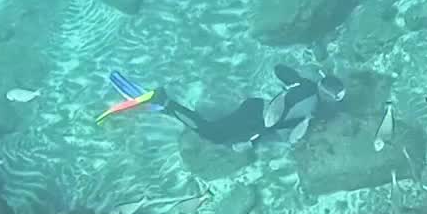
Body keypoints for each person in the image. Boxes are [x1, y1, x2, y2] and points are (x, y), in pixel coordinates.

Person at [103, 66, 345, 146]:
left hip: (255, 106)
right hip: (258, 120)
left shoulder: (306, 84)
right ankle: (164, 102)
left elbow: (279, 69)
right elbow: (291, 136)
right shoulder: (313, 108)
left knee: (218, 124)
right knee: (213, 135)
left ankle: (168, 107)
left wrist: (296, 82)